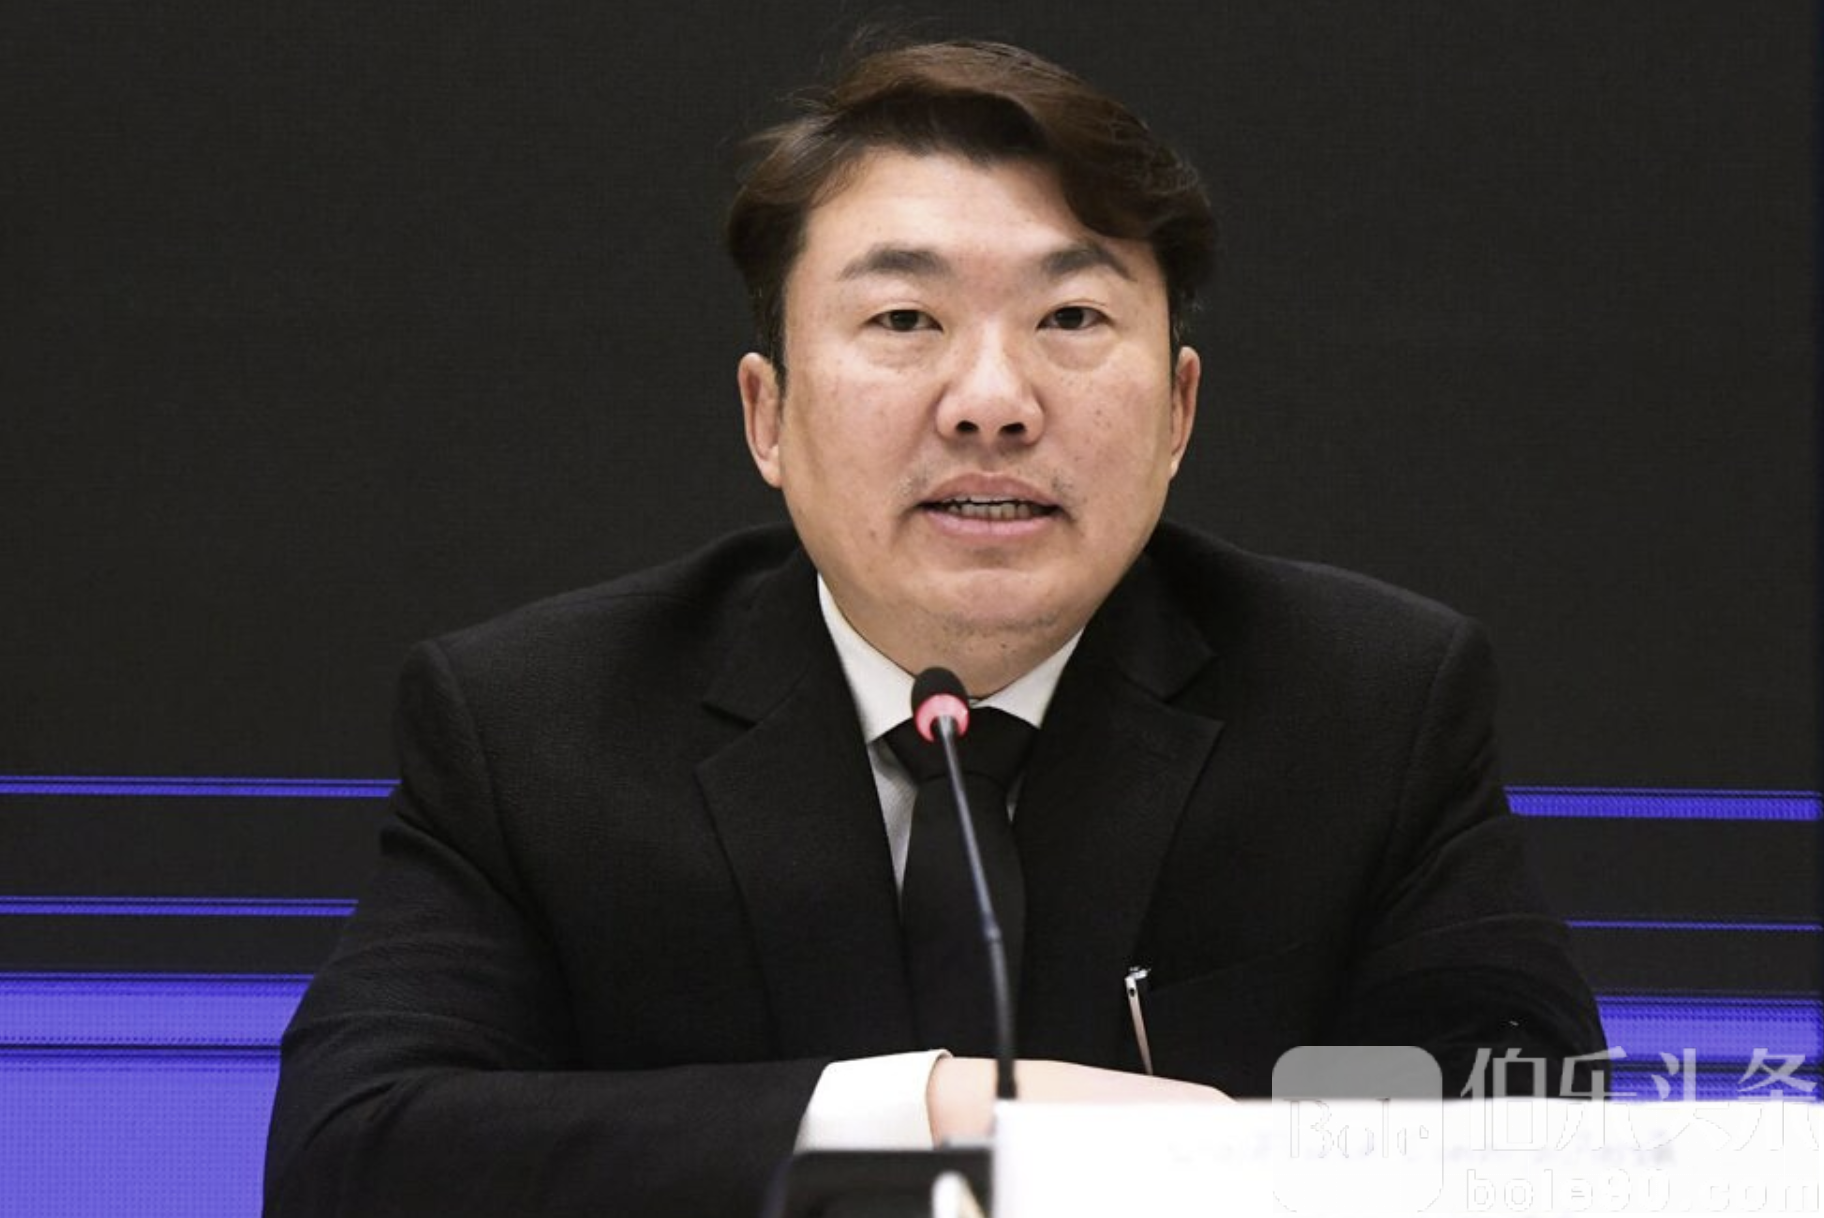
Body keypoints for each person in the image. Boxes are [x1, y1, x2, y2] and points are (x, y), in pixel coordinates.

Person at [264, 38, 1603, 1218]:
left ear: (1179, 413)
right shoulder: (538, 725)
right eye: (904, 319)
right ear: (768, 416)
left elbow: (1535, 1148)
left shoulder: (1366, 703)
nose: (992, 400)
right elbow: (353, 1154)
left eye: (1071, 317)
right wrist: (928, 1116)